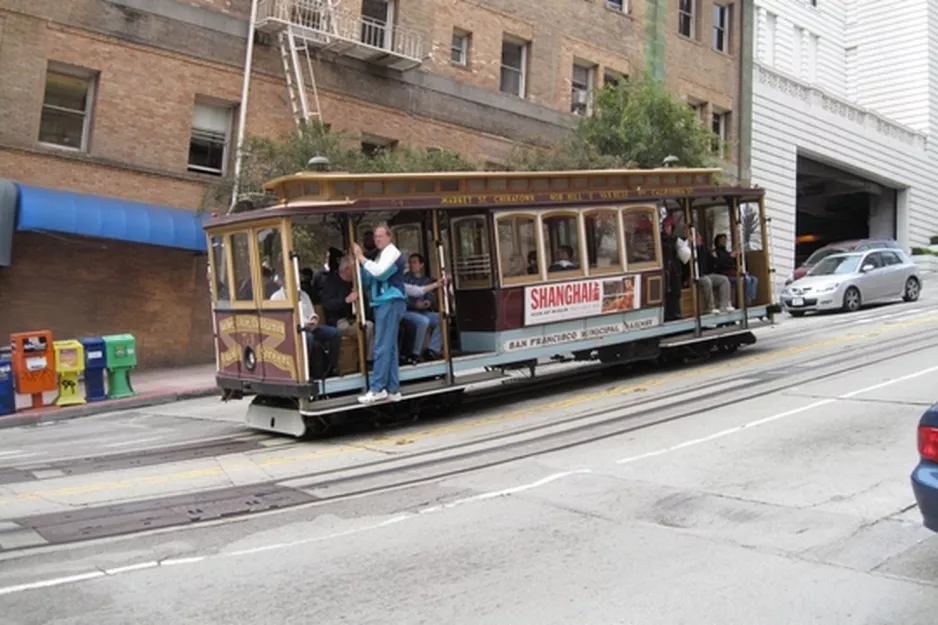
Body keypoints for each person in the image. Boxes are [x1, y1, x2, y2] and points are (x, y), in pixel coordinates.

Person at [351, 224, 407, 404]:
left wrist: (360, 257)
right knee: (389, 347)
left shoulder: (391, 252)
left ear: (390, 236)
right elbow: (371, 276)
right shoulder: (382, 254)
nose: (377, 239)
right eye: (375, 236)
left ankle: (377, 389)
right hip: (385, 303)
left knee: (382, 345)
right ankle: (392, 389)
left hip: (389, 303)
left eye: (380, 236)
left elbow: (379, 273)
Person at [269, 275, 341, 378]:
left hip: (310, 327)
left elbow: (312, 313)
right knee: (309, 338)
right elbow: (279, 321)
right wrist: (303, 325)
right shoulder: (277, 297)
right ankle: (305, 371)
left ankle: (332, 367)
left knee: (335, 333)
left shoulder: (303, 295)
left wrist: (314, 320)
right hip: (293, 330)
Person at [320, 255, 376, 362]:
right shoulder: (331, 282)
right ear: (347, 270)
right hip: (338, 321)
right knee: (359, 328)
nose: (357, 271)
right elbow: (327, 304)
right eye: (354, 268)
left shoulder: (356, 283)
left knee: (369, 325)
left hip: (355, 319)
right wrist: (346, 300)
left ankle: (368, 360)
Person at [402, 253, 445, 362]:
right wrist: (414, 305)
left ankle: (432, 349)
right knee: (423, 321)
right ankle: (415, 354)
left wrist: (428, 302)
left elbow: (429, 294)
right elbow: (404, 297)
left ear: (421, 265)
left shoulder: (426, 280)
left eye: (415, 262)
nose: (412, 265)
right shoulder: (405, 279)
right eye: (410, 262)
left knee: (443, 317)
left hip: (423, 311)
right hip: (408, 311)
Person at [712, 233, 758, 306]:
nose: (724, 241)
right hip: (725, 274)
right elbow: (720, 264)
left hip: (734, 272)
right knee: (746, 280)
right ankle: (745, 303)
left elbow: (735, 264)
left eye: (725, 240)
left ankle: (751, 298)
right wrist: (730, 256)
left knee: (754, 279)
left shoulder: (727, 252)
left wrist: (739, 255)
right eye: (722, 240)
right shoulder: (716, 252)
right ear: (718, 241)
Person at [694, 232, 733, 314]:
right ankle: (710, 307)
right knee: (706, 280)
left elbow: (712, 265)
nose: (700, 239)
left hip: (707, 274)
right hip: (697, 276)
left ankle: (724, 306)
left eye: (700, 238)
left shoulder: (703, 250)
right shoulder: (690, 250)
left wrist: (714, 258)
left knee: (724, 279)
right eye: (698, 238)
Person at [661, 217, 685, 321]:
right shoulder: (661, 239)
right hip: (666, 269)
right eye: (665, 226)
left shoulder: (676, 240)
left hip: (675, 270)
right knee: (667, 292)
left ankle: (676, 313)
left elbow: (683, 254)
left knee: (676, 291)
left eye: (669, 226)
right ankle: (667, 315)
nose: (667, 228)